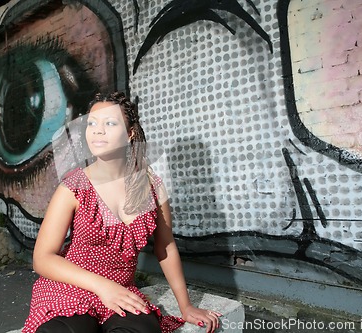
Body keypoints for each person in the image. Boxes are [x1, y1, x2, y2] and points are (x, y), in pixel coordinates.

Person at [22, 92, 222, 333]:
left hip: (122, 291)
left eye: (110, 123)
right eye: (92, 123)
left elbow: (165, 247)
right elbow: (42, 258)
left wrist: (186, 305)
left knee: (142, 330)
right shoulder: (73, 186)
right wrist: (103, 287)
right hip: (71, 286)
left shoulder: (151, 186)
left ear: (129, 134)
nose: (97, 130)